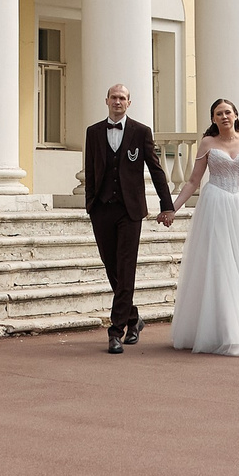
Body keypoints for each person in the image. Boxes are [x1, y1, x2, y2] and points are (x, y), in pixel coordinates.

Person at [158, 97, 239, 355]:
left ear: (236, 115)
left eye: (227, 112)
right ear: (213, 119)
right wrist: (172, 208)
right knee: (218, 265)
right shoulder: (208, 143)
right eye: (219, 114)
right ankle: (221, 329)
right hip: (215, 205)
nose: (224, 117)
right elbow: (193, 181)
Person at [80, 83, 174, 354]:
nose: (118, 102)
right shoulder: (94, 132)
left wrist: (166, 205)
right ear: (106, 100)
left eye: (122, 98)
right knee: (112, 268)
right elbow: (91, 169)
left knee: (126, 268)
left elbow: (156, 171)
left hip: (130, 211)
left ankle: (115, 329)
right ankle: (134, 319)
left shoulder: (141, 132)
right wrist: (90, 204)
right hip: (101, 209)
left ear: (129, 103)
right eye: (114, 97)